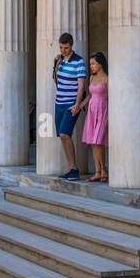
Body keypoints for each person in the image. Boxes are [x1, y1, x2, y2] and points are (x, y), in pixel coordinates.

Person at [53, 32, 88, 181]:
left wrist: (77, 104)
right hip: (58, 102)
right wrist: (55, 65)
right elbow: (57, 81)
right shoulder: (60, 60)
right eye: (61, 48)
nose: (63, 50)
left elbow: (81, 85)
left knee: (65, 134)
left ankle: (74, 169)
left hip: (70, 104)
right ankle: (71, 168)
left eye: (66, 48)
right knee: (62, 136)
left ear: (71, 46)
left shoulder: (78, 61)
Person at [80, 53, 109, 183]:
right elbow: (90, 96)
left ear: (100, 64)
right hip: (92, 111)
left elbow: (112, 98)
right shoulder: (92, 78)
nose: (91, 66)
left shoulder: (107, 78)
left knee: (98, 141)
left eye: (93, 63)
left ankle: (103, 169)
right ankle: (97, 171)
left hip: (103, 110)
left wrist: (109, 116)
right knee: (93, 141)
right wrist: (79, 105)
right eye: (90, 63)